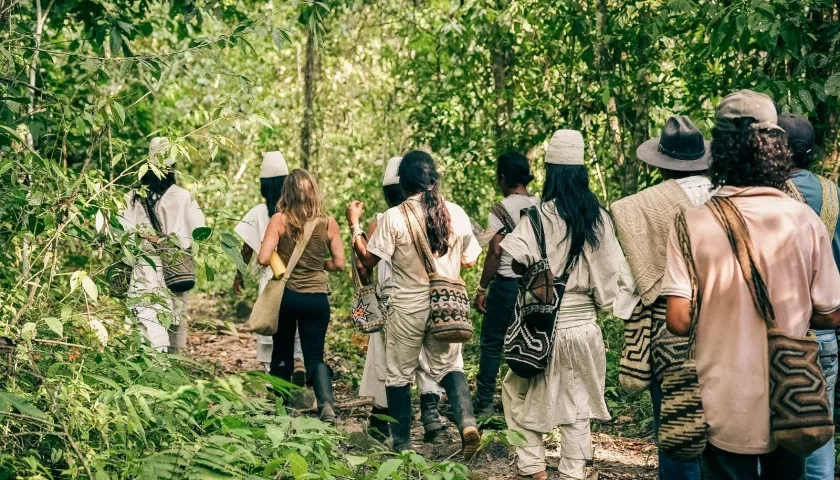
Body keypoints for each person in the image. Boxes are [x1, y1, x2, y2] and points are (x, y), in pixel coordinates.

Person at [662, 90, 840, 480]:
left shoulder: (691, 222)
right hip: (790, 401)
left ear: (719, 150)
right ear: (776, 147)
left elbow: (678, 320)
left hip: (719, 403)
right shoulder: (803, 220)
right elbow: (831, 314)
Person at [500, 130, 625, 480]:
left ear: (550, 172)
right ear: (581, 171)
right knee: (578, 405)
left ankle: (534, 468)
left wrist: (539, 270)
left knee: (518, 391)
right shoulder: (599, 218)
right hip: (585, 329)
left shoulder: (537, 217)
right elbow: (612, 280)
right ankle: (572, 473)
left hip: (544, 328)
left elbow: (513, 261)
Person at [346, 150, 482, 460]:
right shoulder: (455, 212)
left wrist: (354, 226)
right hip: (445, 305)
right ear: (434, 178)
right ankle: (467, 424)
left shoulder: (394, 217)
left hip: (407, 306)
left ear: (403, 182)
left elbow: (368, 260)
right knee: (451, 366)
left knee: (398, 375)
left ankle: (403, 446)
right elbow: (470, 260)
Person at [611, 116, 715, 480]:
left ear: (661, 165)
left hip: (670, 328)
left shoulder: (638, 207)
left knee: (677, 430)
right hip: (730, 325)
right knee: (728, 434)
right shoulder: (732, 195)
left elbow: (631, 282)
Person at [356, 156, 450, 443]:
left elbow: (364, 264)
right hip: (431, 296)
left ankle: (388, 425)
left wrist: (354, 227)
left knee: (391, 367)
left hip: (394, 300)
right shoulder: (435, 214)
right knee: (428, 359)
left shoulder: (383, 220)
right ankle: (430, 411)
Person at [257, 169, 345, 423]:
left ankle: (280, 408)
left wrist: (285, 262)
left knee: (282, 352)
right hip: (316, 298)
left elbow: (263, 258)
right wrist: (316, 265)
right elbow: (339, 264)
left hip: (287, 298)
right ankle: (326, 406)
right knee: (315, 356)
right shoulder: (328, 223)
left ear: (287, 192)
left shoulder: (279, 220)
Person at [778, 113, 839, 480]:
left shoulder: (769, 194)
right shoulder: (833, 192)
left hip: (782, 331)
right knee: (819, 429)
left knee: (776, 433)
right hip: (827, 330)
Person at [120, 137, 206, 354]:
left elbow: (120, 232)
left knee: (145, 315)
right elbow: (199, 232)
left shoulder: (133, 197)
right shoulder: (182, 197)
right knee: (173, 318)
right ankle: (170, 361)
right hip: (174, 266)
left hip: (143, 264)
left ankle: (148, 361)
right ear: (173, 168)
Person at [472, 152, 538, 415]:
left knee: (492, 342)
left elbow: (495, 252)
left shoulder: (500, 209)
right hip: (535, 285)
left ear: (502, 178)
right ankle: (526, 402)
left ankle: (485, 403)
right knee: (530, 341)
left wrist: (481, 288)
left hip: (506, 284)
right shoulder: (542, 205)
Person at [233, 151, 306, 382]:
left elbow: (246, 249)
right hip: (298, 276)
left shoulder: (257, 213)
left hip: (270, 277)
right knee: (295, 328)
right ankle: (298, 363)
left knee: (269, 327)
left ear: (263, 187)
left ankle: (274, 379)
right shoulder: (299, 212)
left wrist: (239, 275)